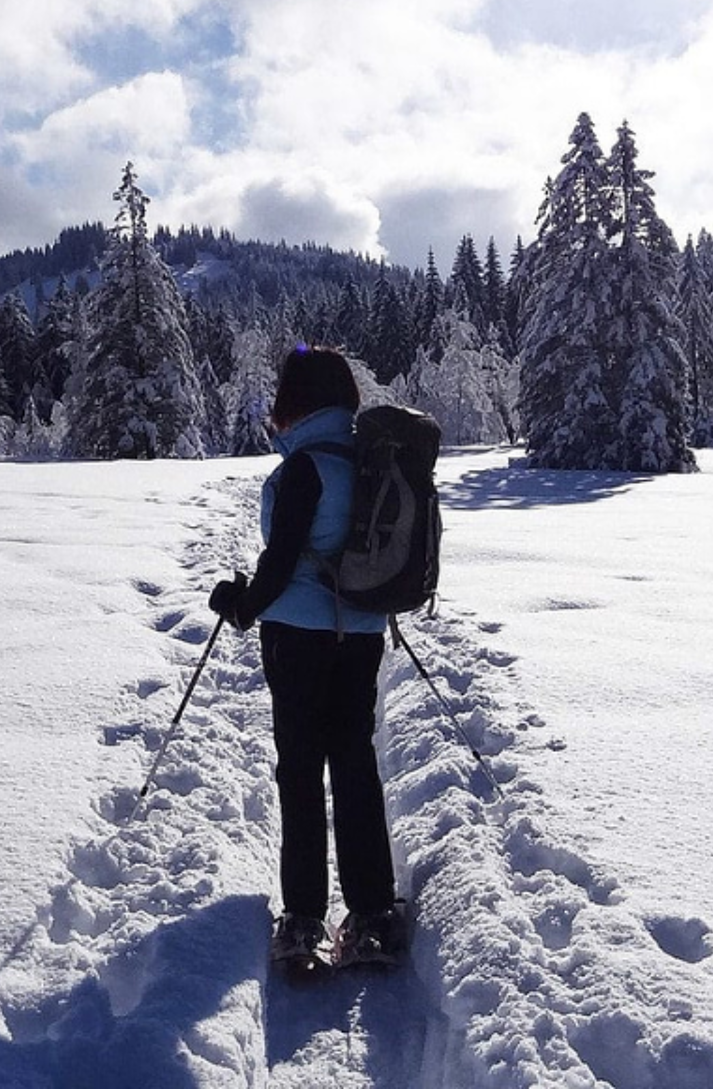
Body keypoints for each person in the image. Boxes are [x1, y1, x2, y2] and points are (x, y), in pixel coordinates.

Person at [208, 344, 407, 968]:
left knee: (300, 769)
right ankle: (373, 912)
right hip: (363, 633)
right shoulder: (369, 460)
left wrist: (238, 605)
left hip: (297, 637)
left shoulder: (304, 468)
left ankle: (303, 921)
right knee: (353, 760)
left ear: (296, 402)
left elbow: (281, 562)